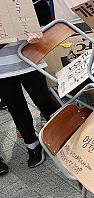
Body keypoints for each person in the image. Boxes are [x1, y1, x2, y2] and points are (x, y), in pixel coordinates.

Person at [0, 31, 59, 173]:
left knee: (44, 101)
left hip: (29, 55)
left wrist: (38, 32)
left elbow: (39, 15)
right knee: (16, 108)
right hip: (2, 69)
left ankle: (62, 136)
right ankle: (32, 145)